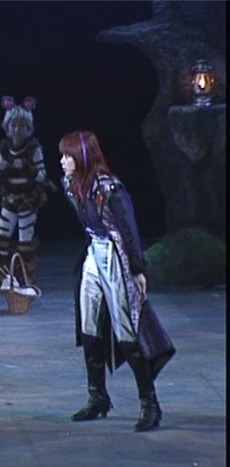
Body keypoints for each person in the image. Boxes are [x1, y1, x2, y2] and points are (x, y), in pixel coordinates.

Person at [59, 130, 176, 431]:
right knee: (89, 326)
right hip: (94, 253)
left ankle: (150, 403)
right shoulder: (71, 185)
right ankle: (97, 397)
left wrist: (137, 268)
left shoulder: (110, 188)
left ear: (83, 157)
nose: (62, 161)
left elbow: (128, 228)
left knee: (127, 329)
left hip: (115, 255)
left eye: (68, 156)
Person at [0, 95, 55, 290]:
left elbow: (42, 176)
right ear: (7, 127)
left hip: (28, 198)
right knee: (2, 239)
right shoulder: (4, 148)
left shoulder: (33, 148)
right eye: (13, 126)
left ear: (28, 128)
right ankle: (0, 277)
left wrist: (28, 169)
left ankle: (24, 278)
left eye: (21, 126)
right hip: (9, 198)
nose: (17, 130)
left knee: (25, 240)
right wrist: (3, 170)